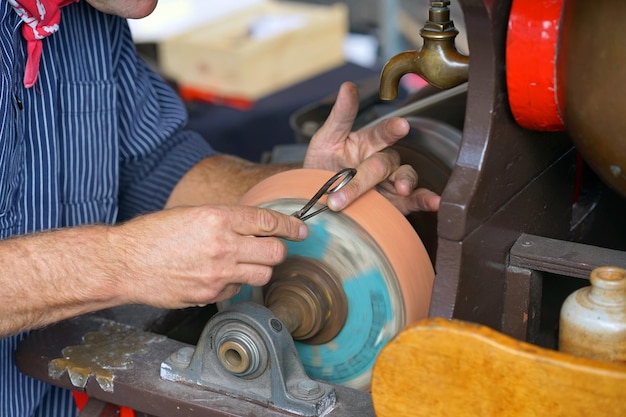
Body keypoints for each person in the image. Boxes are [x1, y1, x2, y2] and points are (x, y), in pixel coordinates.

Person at [0, 0, 441, 415]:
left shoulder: (92, 21)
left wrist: (310, 192)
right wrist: (122, 263)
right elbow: (127, 256)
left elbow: (156, 166)